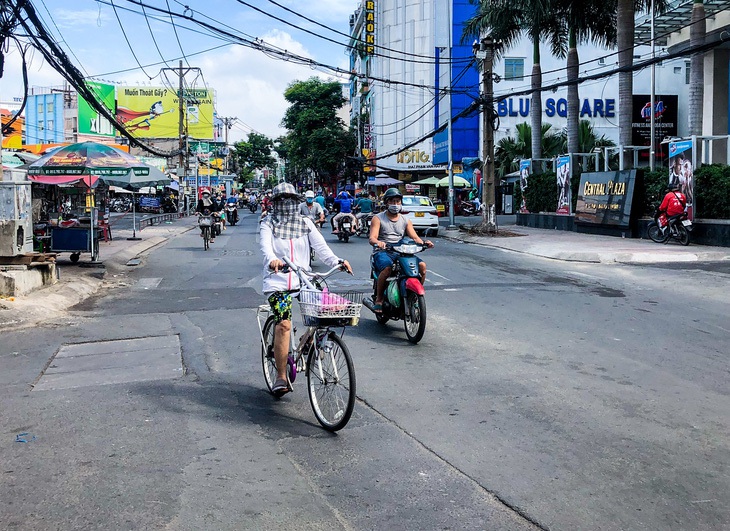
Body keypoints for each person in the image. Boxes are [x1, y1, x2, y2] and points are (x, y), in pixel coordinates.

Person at [260, 183, 353, 395]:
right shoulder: (268, 223)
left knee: (325, 312)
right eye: (282, 200)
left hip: (304, 278)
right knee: (284, 324)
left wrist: (337, 261)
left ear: (297, 202)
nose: (287, 204)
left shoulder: (306, 223)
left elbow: (321, 248)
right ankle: (281, 376)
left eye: (291, 200)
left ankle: (311, 345)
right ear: (275, 203)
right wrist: (273, 261)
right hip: (277, 282)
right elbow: (266, 249)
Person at [368, 188, 433, 312]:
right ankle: (379, 299)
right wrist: (378, 243)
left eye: (398, 202)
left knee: (422, 267)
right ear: (387, 203)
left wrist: (424, 243)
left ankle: (414, 296)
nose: (396, 204)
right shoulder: (378, 218)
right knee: (387, 269)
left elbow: (414, 236)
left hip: (401, 250)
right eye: (393, 201)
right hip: (383, 251)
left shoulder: (405, 220)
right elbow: (372, 238)